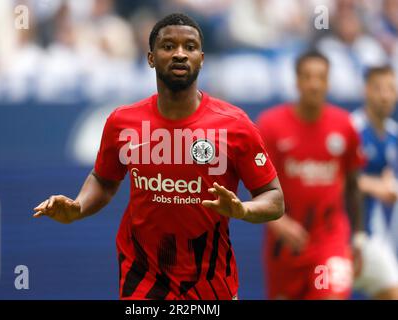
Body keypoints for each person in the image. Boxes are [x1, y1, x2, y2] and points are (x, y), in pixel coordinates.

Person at [33, 13, 284, 300]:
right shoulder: (122, 122)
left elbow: (274, 199)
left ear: (201, 58)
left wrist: (243, 210)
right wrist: (78, 207)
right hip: (143, 284)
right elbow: (104, 180)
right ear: (151, 58)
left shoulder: (235, 125)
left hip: (212, 288)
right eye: (168, 46)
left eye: (189, 47)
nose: (179, 54)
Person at [257, 50, 364, 299]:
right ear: (296, 81)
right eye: (307, 77)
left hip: (330, 240)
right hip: (285, 246)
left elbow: (353, 185)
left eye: (321, 78)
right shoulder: (271, 125)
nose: (314, 84)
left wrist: (358, 238)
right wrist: (278, 223)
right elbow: (256, 186)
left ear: (328, 82)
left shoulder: (344, 125)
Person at [350, 66, 398, 299]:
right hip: (345, 233)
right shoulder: (351, 128)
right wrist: (374, 186)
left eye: (391, 89)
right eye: (379, 88)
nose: (385, 95)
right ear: (366, 91)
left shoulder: (394, 134)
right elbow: (337, 178)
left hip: (378, 235)